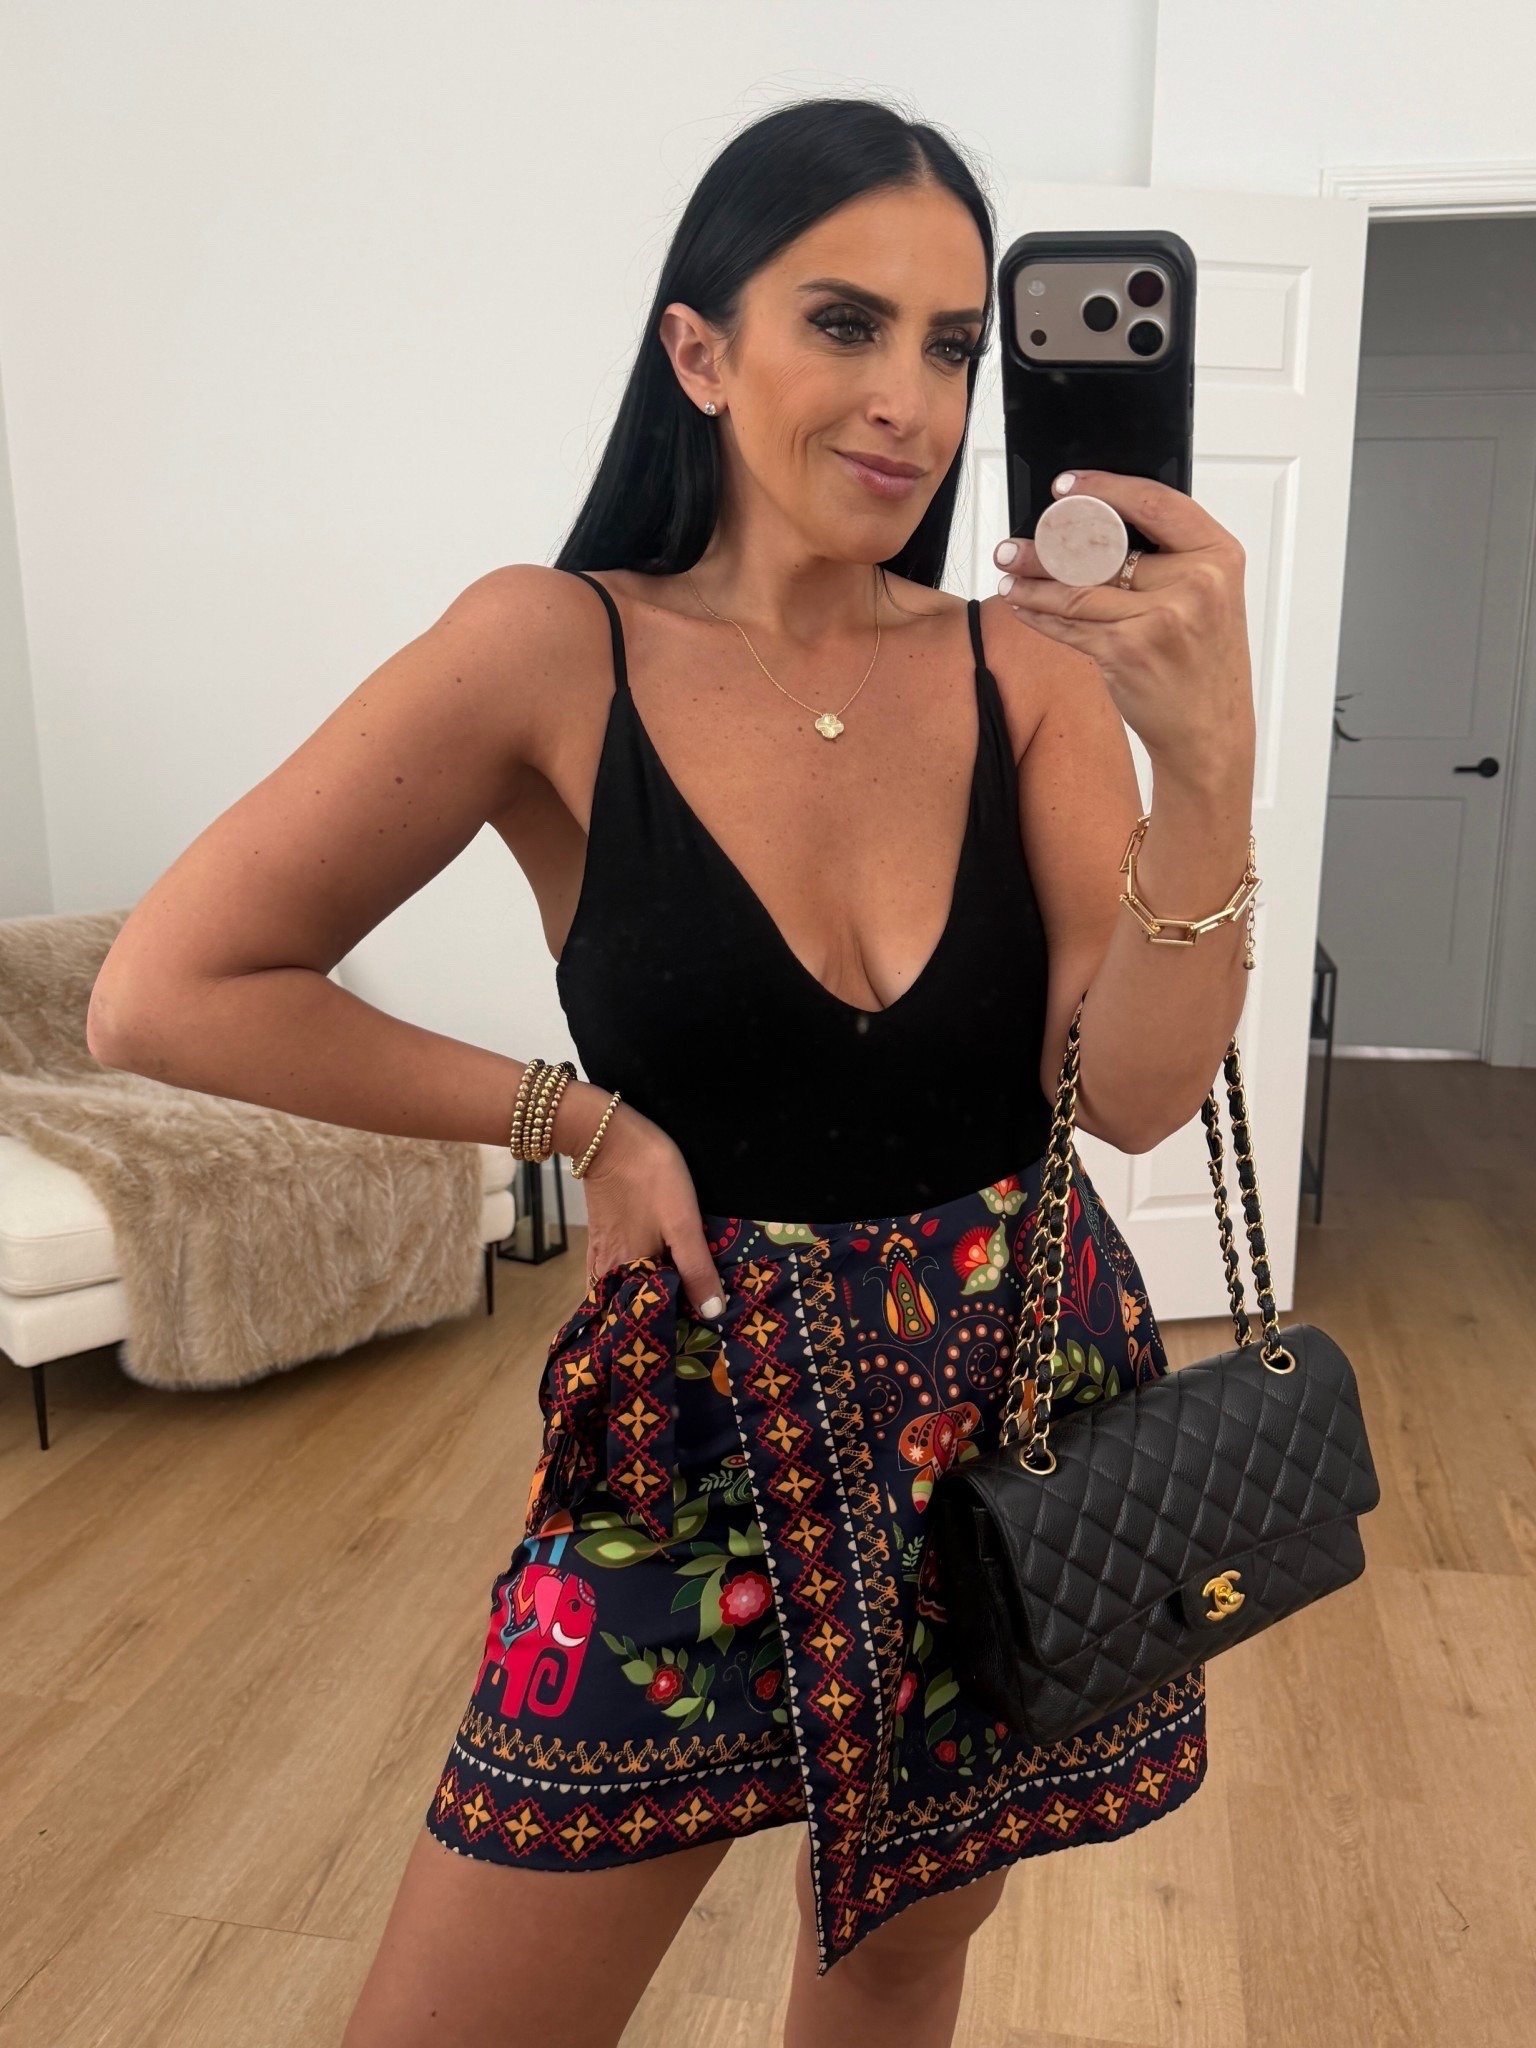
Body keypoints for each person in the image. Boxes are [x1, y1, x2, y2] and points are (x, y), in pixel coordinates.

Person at [89, 93, 1257, 2048]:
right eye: (844, 323)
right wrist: (572, 1120)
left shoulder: (1028, 671)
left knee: (901, 1955)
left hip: (1013, 1417)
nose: (908, 398)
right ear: (699, 352)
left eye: (951, 346)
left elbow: (1128, 1093)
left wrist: (1210, 765)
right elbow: (166, 989)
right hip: (696, 1442)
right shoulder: (549, 651)